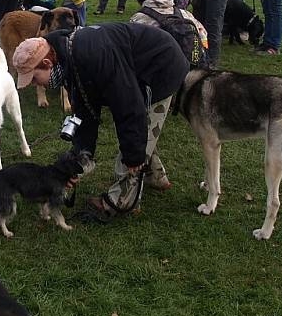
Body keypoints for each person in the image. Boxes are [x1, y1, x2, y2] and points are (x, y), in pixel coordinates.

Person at [12, 23, 189, 221]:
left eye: (35, 79)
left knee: (137, 136)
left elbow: (128, 103)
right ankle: (156, 177)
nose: (36, 85)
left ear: (46, 63)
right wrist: (80, 159)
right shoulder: (70, 57)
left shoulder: (92, 54)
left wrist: (133, 155)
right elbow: (85, 112)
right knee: (140, 132)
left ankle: (119, 201)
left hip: (161, 67)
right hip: (136, 71)